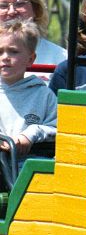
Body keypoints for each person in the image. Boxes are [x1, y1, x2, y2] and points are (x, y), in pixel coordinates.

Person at [0, 20, 57, 176]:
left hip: (30, 164)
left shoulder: (43, 94)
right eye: (0, 51)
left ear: (30, 59)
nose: (5, 57)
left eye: (13, 51)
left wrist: (31, 134)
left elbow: (58, 128)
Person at [0, 0, 66, 65]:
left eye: (19, 4)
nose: (11, 11)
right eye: (3, 6)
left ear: (35, 8)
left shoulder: (61, 59)